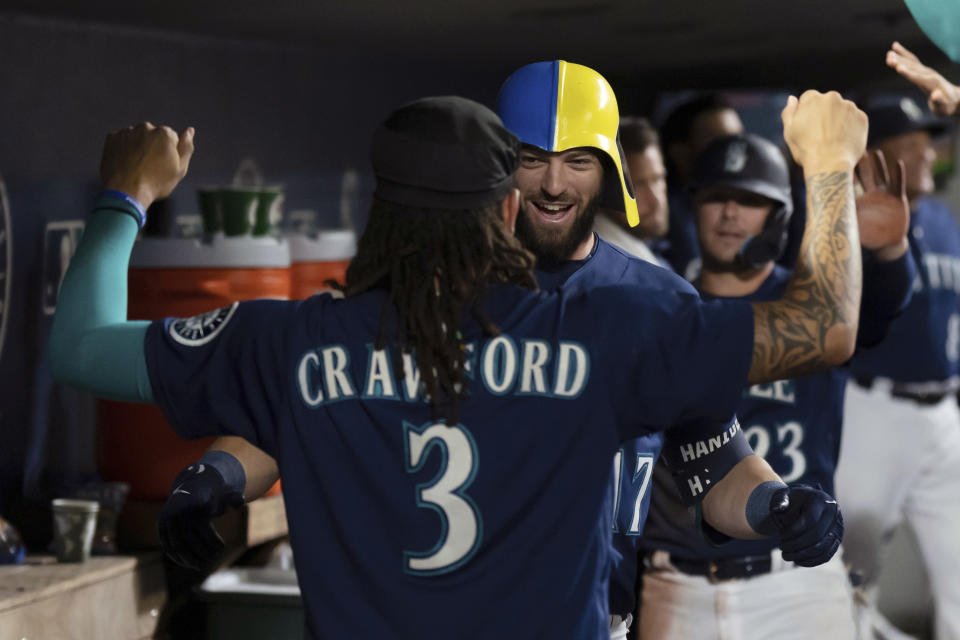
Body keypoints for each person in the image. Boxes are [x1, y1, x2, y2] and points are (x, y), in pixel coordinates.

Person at [50, 90, 863, 638]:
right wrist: (827, 171)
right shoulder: (605, 330)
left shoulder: (294, 339)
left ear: (380, 217)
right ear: (507, 211)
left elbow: (79, 347)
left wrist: (125, 196)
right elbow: (825, 326)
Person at [637, 133, 914, 640]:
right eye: (717, 197)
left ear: (781, 215)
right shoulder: (666, 304)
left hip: (796, 579)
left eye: (750, 201)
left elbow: (879, 311)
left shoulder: (813, 307)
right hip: (676, 583)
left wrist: (891, 253)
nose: (729, 214)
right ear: (693, 205)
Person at [837, 44, 960, 640]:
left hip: (943, 411)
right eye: (911, 144)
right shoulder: (850, 216)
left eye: (928, 142)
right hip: (874, 409)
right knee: (848, 570)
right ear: (875, 154)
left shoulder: (939, 216)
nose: (927, 152)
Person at [659, 94, 744, 278]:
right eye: (721, 143)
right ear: (680, 152)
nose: (736, 151)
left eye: (739, 139)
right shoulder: (663, 215)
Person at [592, 117, 669, 267]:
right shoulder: (610, 263)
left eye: (658, 179)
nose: (655, 199)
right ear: (604, 190)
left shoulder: (652, 248)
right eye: (637, 185)